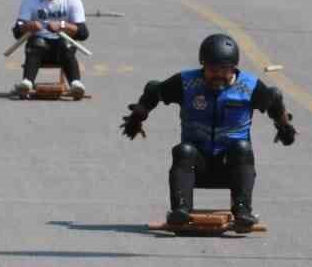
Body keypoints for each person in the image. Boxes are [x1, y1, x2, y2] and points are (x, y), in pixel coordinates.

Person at [120, 34, 297, 230]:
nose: (218, 75)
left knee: (243, 148)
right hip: (197, 164)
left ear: (233, 67)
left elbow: (274, 99)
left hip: (231, 165)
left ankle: (242, 210)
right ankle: (181, 210)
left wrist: (284, 127)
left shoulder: (249, 87)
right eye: (212, 70)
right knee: (182, 150)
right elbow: (154, 90)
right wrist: (137, 118)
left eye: (224, 70)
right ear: (203, 65)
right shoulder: (186, 83)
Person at [13, 0, 87, 98]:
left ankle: (76, 84)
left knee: (66, 44)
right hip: (40, 49)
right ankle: (27, 82)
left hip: (62, 48)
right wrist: (29, 26)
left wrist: (62, 26)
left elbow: (83, 32)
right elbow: (17, 30)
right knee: (36, 43)